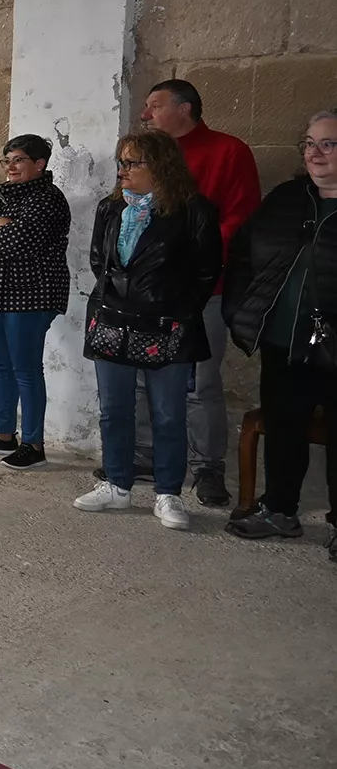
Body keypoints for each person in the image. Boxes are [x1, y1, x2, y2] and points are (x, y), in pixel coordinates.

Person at [73, 130, 222, 531]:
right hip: (113, 320)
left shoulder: (194, 211)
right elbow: (98, 261)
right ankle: (117, 485)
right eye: (121, 162)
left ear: (160, 166)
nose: (122, 170)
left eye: (132, 162)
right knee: (115, 410)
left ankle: (168, 492)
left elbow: (206, 273)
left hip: (166, 325)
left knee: (168, 415)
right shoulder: (111, 208)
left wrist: (173, 309)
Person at [141, 79, 262, 506]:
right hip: (149, 290)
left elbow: (240, 221)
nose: (145, 114)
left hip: (203, 289)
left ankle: (207, 467)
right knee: (142, 373)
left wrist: (187, 261)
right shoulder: (150, 157)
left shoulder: (229, 152)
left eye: (155, 106)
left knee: (200, 382)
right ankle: (145, 453)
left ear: (185, 108)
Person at [222, 111, 337, 558]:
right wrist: (239, 310)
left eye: (328, 144)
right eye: (309, 143)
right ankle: (280, 511)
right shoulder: (288, 198)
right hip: (284, 340)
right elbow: (244, 254)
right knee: (284, 427)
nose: (315, 153)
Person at [0, 135, 72, 469]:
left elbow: (14, 243)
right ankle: (3, 433)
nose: (11, 167)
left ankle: (34, 444)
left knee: (26, 370)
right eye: (7, 160)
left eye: (19, 160)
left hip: (31, 296)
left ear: (40, 164)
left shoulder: (48, 199)